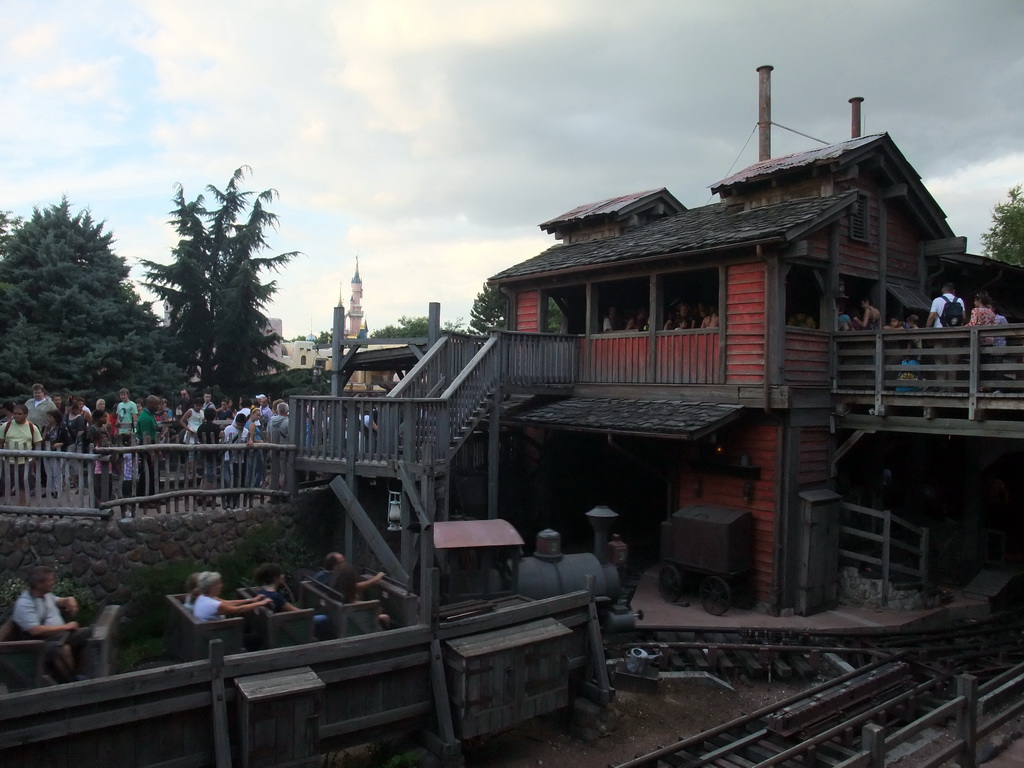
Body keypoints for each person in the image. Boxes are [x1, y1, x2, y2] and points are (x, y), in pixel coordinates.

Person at [12, 566, 92, 683]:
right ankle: (72, 683)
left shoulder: (45, 595)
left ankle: (88, 674)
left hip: (57, 637)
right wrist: (66, 627)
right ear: (39, 584)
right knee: (62, 649)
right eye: (49, 580)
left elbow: (59, 600)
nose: (53, 582)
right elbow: (35, 630)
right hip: (36, 646)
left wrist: (68, 600)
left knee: (90, 633)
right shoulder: (24, 604)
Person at [191, 571, 271, 650]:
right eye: (218, 584)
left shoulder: (203, 597)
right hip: (217, 638)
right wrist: (260, 603)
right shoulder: (214, 605)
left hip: (213, 632)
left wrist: (251, 600)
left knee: (247, 627)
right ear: (211, 587)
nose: (221, 585)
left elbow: (229, 603)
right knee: (255, 638)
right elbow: (238, 610)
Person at [0, 404, 43, 504]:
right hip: (8, 461)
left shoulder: (32, 427)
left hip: (25, 462)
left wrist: (34, 458)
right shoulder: (6, 426)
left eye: (20, 414)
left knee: (23, 486)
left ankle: (22, 507)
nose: (17, 416)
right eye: (15, 413)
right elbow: (1, 441)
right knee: (6, 485)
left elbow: (37, 443)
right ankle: (7, 506)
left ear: (26, 415)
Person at [926, 282, 966, 385]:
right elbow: (964, 317)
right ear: (953, 291)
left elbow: (932, 316)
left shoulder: (937, 300)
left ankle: (941, 386)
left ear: (942, 290)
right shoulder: (959, 300)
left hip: (939, 333)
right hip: (954, 335)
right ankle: (951, 388)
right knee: (952, 362)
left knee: (939, 361)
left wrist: (926, 329)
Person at [332, 563, 390, 629]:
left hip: (340, 616)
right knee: (385, 617)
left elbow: (357, 586)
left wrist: (376, 578)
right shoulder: (347, 593)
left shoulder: (337, 588)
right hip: (352, 617)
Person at [196, 408, 222, 509]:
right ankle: (207, 497)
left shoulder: (201, 427)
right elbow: (219, 437)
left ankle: (201, 493)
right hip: (212, 453)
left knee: (205, 473)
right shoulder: (216, 428)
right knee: (210, 475)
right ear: (214, 416)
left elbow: (199, 438)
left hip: (203, 452)